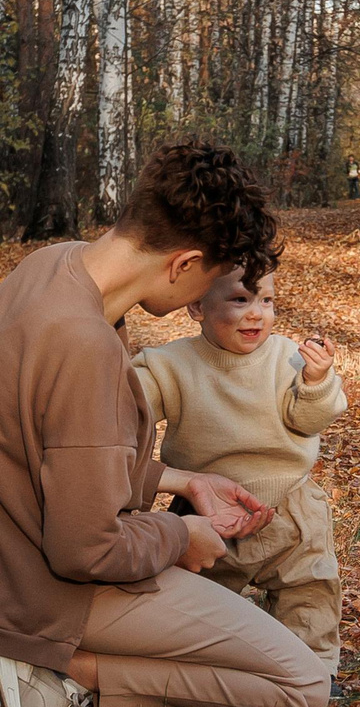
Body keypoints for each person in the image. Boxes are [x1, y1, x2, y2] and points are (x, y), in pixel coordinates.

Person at [0, 140, 333, 707]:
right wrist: (179, 535)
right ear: (184, 263)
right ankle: (67, 673)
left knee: (258, 649)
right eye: (214, 276)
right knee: (305, 684)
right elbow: (89, 549)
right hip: (41, 587)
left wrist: (183, 481)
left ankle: (67, 667)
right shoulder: (84, 347)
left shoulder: (53, 267)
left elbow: (60, 449)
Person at [133, 270, 345, 676]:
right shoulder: (171, 365)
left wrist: (317, 382)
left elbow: (309, 419)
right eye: (240, 300)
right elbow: (126, 407)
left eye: (266, 301)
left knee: (310, 588)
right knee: (196, 596)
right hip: (208, 511)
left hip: (292, 506)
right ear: (197, 306)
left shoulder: (289, 358)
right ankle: (205, 665)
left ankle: (313, 671)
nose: (256, 314)